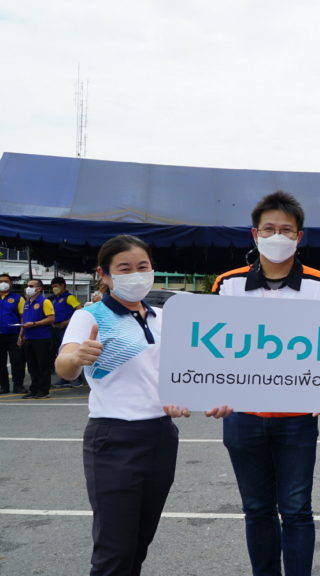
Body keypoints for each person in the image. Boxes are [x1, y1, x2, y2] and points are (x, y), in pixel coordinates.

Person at [207, 190, 320, 576]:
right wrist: (211, 393)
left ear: (299, 236)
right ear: (255, 234)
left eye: (286, 229)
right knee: (257, 509)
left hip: (298, 419)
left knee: (297, 509)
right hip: (242, 416)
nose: (277, 235)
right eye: (270, 228)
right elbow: (209, 349)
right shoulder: (226, 285)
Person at [55, 234, 189, 576]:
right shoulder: (91, 316)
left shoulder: (164, 317)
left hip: (161, 436)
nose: (135, 275)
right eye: (124, 268)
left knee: (139, 544)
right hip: (113, 438)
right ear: (105, 274)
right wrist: (75, 357)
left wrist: (182, 396)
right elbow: (64, 364)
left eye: (142, 267)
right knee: (114, 550)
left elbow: (178, 371)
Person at [19, 278, 54, 399]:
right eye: (27, 285)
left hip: (41, 338)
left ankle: (44, 390)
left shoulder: (45, 302)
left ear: (39, 288)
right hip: (29, 338)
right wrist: (21, 335)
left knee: (42, 365)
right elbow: (24, 320)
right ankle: (34, 389)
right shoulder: (27, 302)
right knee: (32, 366)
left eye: (31, 285)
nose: (28, 288)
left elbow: (51, 318)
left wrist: (34, 324)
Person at [50, 277, 84, 388]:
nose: (55, 288)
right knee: (59, 353)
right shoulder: (55, 299)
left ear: (63, 285)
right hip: (56, 329)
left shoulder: (69, 297)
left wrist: (68, 322)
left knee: (71, 352)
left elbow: (79, 310)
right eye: (53, 286)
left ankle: (76, 379)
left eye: (56, 286)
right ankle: (64, 377)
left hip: (66, 328)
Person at [0, 273, 26, 394]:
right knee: (1, 363)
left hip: (14, 335)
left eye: (6, 281)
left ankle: (18, 386)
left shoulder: (18, 298)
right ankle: (3, 386)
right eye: (0, 281)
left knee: (17, 361)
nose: (3, 284)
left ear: (11, 283)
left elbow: (23, 317)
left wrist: (21, 334)